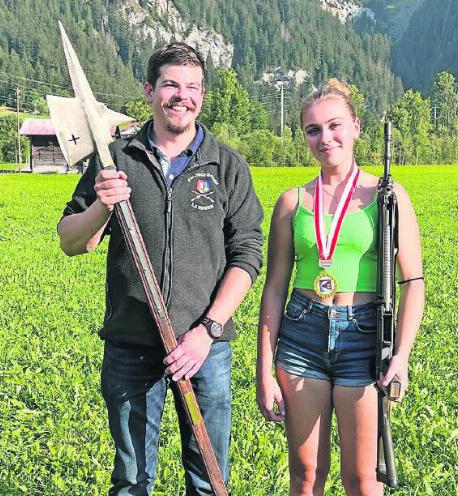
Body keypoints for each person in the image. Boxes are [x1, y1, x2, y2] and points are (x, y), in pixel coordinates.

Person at [57, 43, 264, 495]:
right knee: (131, 480)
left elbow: (247, 254)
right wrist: (102, 205)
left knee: (209, 480)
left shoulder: (226, 166)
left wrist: (207, 331)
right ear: (150, 90)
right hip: (131, 345)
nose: (181, 95)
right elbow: (73, 241)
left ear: (203, 95)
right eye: (171, 84)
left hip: (205, 350)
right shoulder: (115, 158)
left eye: (192, 87)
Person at [256, 79, 425, 496]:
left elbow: (414, 283)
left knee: (363, 480)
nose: (325, 137)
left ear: (355, 126)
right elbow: (274, 288)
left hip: (363, 338)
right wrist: (263, 368)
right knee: (306, 476)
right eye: (313, 130)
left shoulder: (388, 196)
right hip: (301, 335)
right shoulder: (291, 202)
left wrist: (400, 356)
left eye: (334, 126)